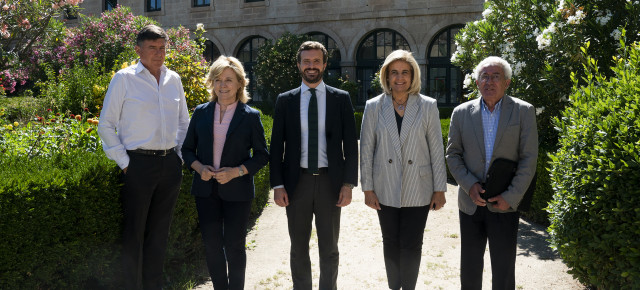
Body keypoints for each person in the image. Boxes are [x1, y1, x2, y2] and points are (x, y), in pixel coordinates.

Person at [97, 24, 190, 289]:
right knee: (134, 234)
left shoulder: (174, 79)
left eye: (162, 48)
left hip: (169, 165)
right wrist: (126, 164)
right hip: (138, 165)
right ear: (138, 50)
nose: (159, 54)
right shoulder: (124, 79)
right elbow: (105, 125)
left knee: (160, 235)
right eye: (152, 48)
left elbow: (184, 122)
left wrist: (179, 157)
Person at [269, 41, 358, 290]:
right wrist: (277, 185)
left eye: (316, 61)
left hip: (331, 183)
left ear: (325, 64)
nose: (311, 66)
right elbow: (276, 147)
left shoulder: (341, 99)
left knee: (329, 248)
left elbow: (351, 146)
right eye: (306, 61)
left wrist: (349, 184)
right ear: (299, 65)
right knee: (298, 248)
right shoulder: (285, 101)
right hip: (297, 183)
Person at [446, 56, 538, 290]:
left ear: (506, 82)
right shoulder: (461, 112)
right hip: (470, 202)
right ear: (477, 82)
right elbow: (453, 155)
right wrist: (468, 185)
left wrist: (511, 197)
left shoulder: (523, 111)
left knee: (504, 268)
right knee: (469, 267)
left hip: (504, 203)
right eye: (484, 77)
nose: (489, 81)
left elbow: (529, 159)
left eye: (496, 76)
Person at [359, 50, 448, 290]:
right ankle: (393, 286)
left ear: (413, 76)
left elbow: (437, 150)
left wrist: (440, 189)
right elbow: (366, 150)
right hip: (384, 185)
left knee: (412, 244)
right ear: (386, 77)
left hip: (419, 186)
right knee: (390, 241)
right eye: (394, 72)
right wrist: (367, 188)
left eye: (405, 72)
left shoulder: (427, 105)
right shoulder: (374, 106)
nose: (400, 78)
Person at [181, 56, 269, 290]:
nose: (223, 85)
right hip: (205, 190)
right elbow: (187, 150)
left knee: (235, 245)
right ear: (211, 82)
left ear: (240, 83)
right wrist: (199, 168)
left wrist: (237, 171)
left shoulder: (251, 116)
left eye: (228, 79)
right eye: (218, 79)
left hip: (237, 192)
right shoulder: (200, 112)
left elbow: (262, 155)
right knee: (211, 245)